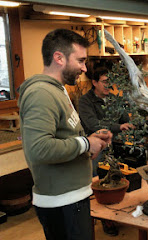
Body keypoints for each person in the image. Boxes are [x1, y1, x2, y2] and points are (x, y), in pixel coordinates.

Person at [18, 29, 112, 240]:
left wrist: (93, 140)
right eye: (80, 60)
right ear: (59, 58)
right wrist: (86, 144)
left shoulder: (57, 89)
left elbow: (65, 136)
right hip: (61, 202)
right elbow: (39, 149)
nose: (84, 68)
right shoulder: (41, 93)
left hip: (72, 197)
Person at [78, 67, 135, 236]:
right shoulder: (85, 101)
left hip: (117, 144)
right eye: (105, 82)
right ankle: (104, 219)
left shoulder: (114, 99)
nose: (108, 86)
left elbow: (126, 119)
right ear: (94, 82)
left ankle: (121, 212)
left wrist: (130, 123)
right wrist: (117, 127)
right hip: (98, 147)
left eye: (111, 82)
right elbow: (92, 125)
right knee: (100, 181)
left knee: (122, 177)